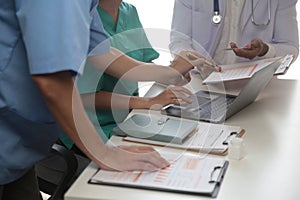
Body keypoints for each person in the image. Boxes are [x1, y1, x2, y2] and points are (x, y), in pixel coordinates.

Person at [0, 1, 202, 199]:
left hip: (19, 148)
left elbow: (102, 53)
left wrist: (169, 72)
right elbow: (54, 80)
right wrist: (105, 154)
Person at [60, 0, 193, 150]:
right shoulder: (80, 19)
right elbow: (84, 96)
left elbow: (143, 61)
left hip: (128, 117)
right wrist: (145, 102)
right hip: (92, 125)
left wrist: (172, 75)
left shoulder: (129, 12)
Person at [169, 0, 299, 66]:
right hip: (200, 80)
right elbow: (179, 41)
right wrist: (190, 58)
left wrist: (265, 50)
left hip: (255, 87)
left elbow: (291, 48)